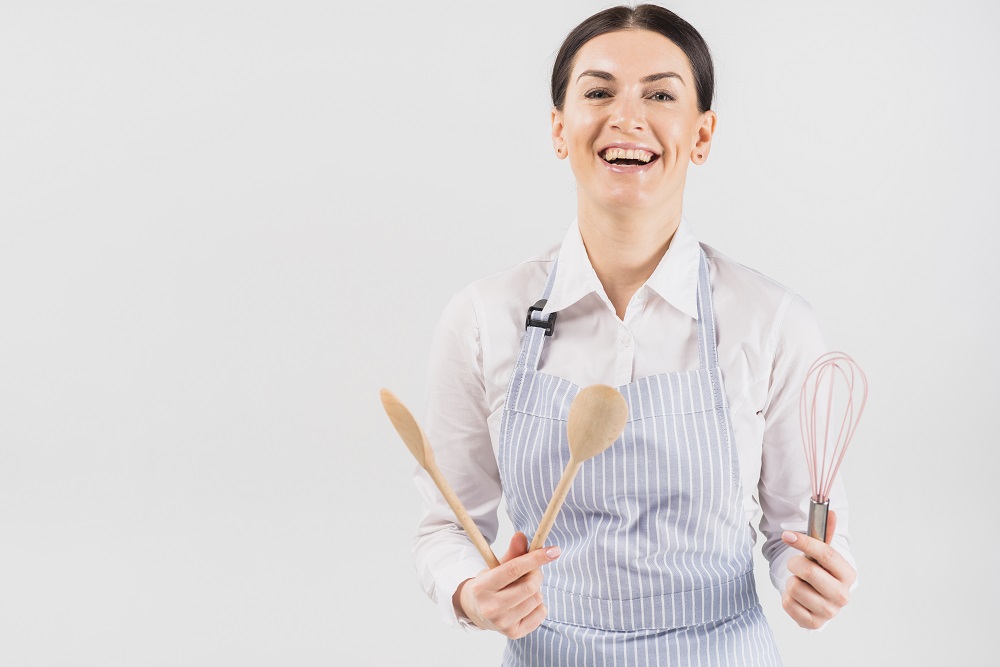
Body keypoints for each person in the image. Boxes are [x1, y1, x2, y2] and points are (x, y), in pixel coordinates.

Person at [411, 4, 857, 664]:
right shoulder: (482, 317)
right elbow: (446, 526)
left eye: (660, 94)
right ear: (559, 129)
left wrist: (810, 579)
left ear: (702, 135)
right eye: (598, 91)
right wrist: (471, 591)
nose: (628, 116)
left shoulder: (771, 319)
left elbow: (799, 531)